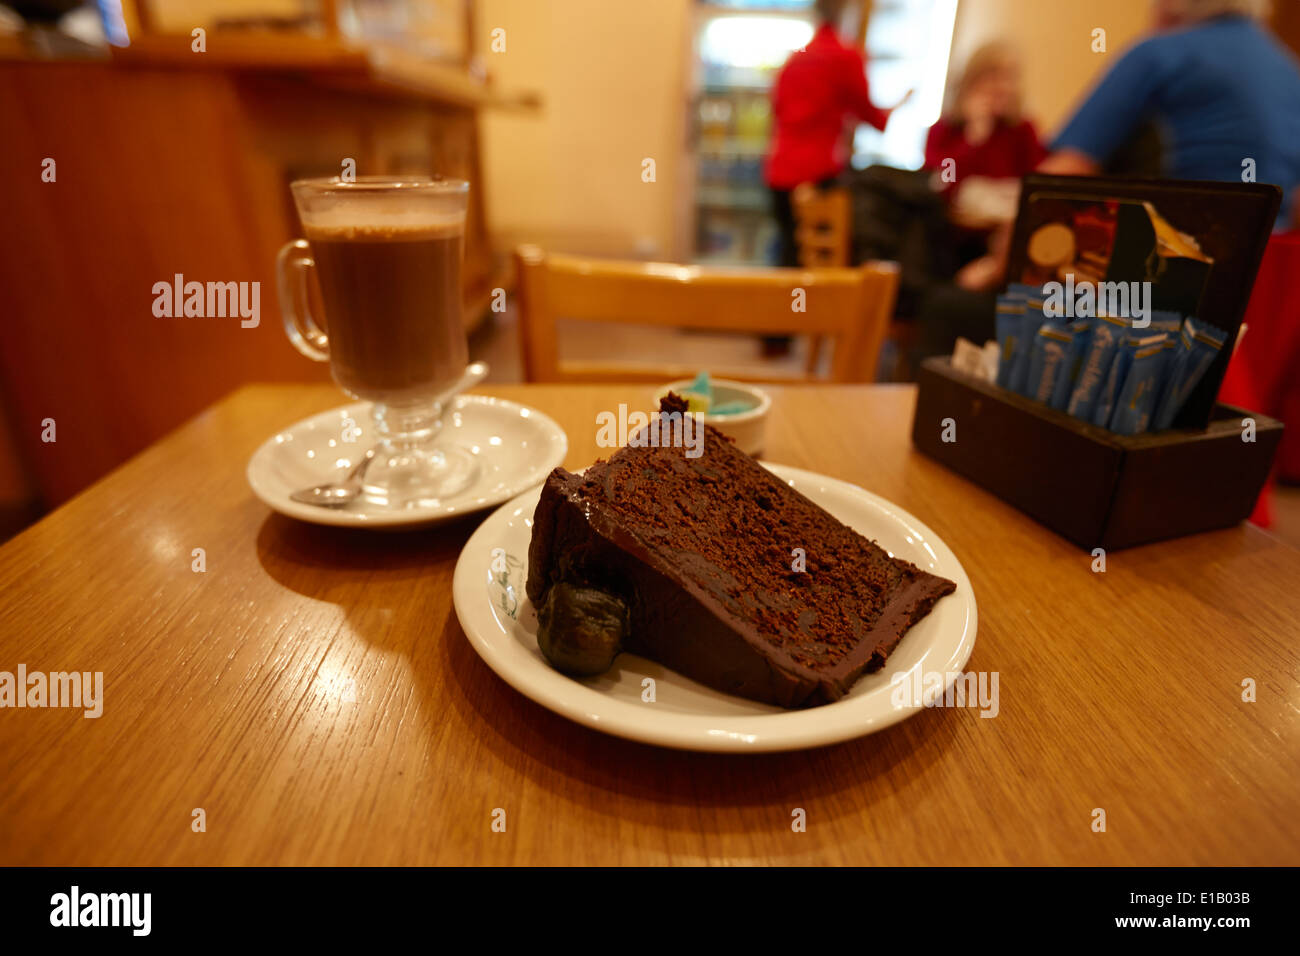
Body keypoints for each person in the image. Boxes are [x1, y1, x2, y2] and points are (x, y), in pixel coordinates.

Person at [1042, 0, 1300, 224]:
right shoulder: (1289, 70)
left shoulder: (1159, 53)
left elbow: (1062, 176)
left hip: (1181, 250)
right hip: (1273, 253)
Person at [765, 0, 909, 269]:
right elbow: (874, 118)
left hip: (779, 174)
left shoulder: (796, 58)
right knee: (820, 262)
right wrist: (900, 104)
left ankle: (790, 297)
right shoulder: (846, 56)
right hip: (817, 175)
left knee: (791, 255)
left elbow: (777, 109)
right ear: (847, 12)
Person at [924, 42, 1046, 196]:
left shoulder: (1023, 130)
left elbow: (1034, 187)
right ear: (971, 80)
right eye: (994, 76)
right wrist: (973, 138)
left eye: (1010, 77)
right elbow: (941, 185)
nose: (1004, 87)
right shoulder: (944, 129)